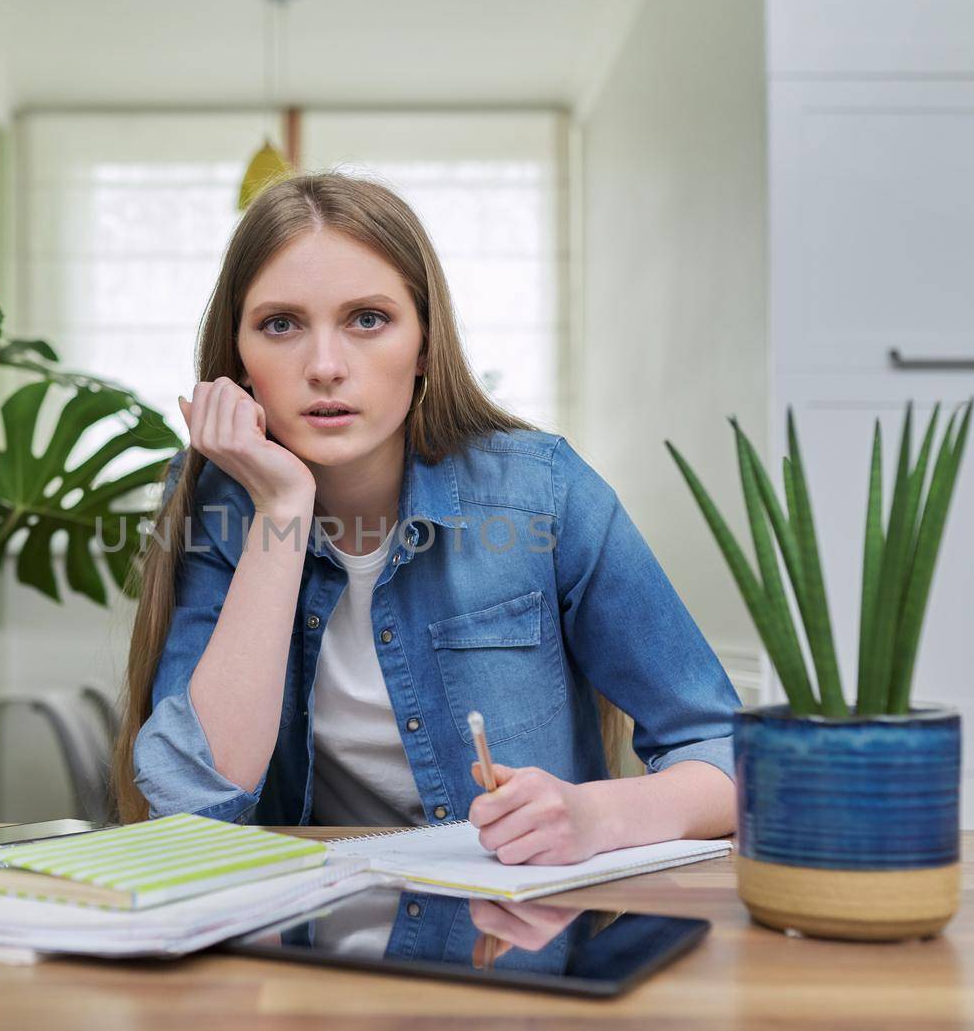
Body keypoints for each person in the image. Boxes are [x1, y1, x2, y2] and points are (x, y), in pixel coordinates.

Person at [112, 171, 738, 866]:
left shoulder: (542, 491)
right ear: (239, 360)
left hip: (513, 948)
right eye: (280, 324)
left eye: (368, 319)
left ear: (424, 344)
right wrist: (280, 508)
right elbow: (191, 796)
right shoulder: (218, 502)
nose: (324, 366)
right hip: (296, 954)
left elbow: (728, 753)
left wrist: (594, 813)